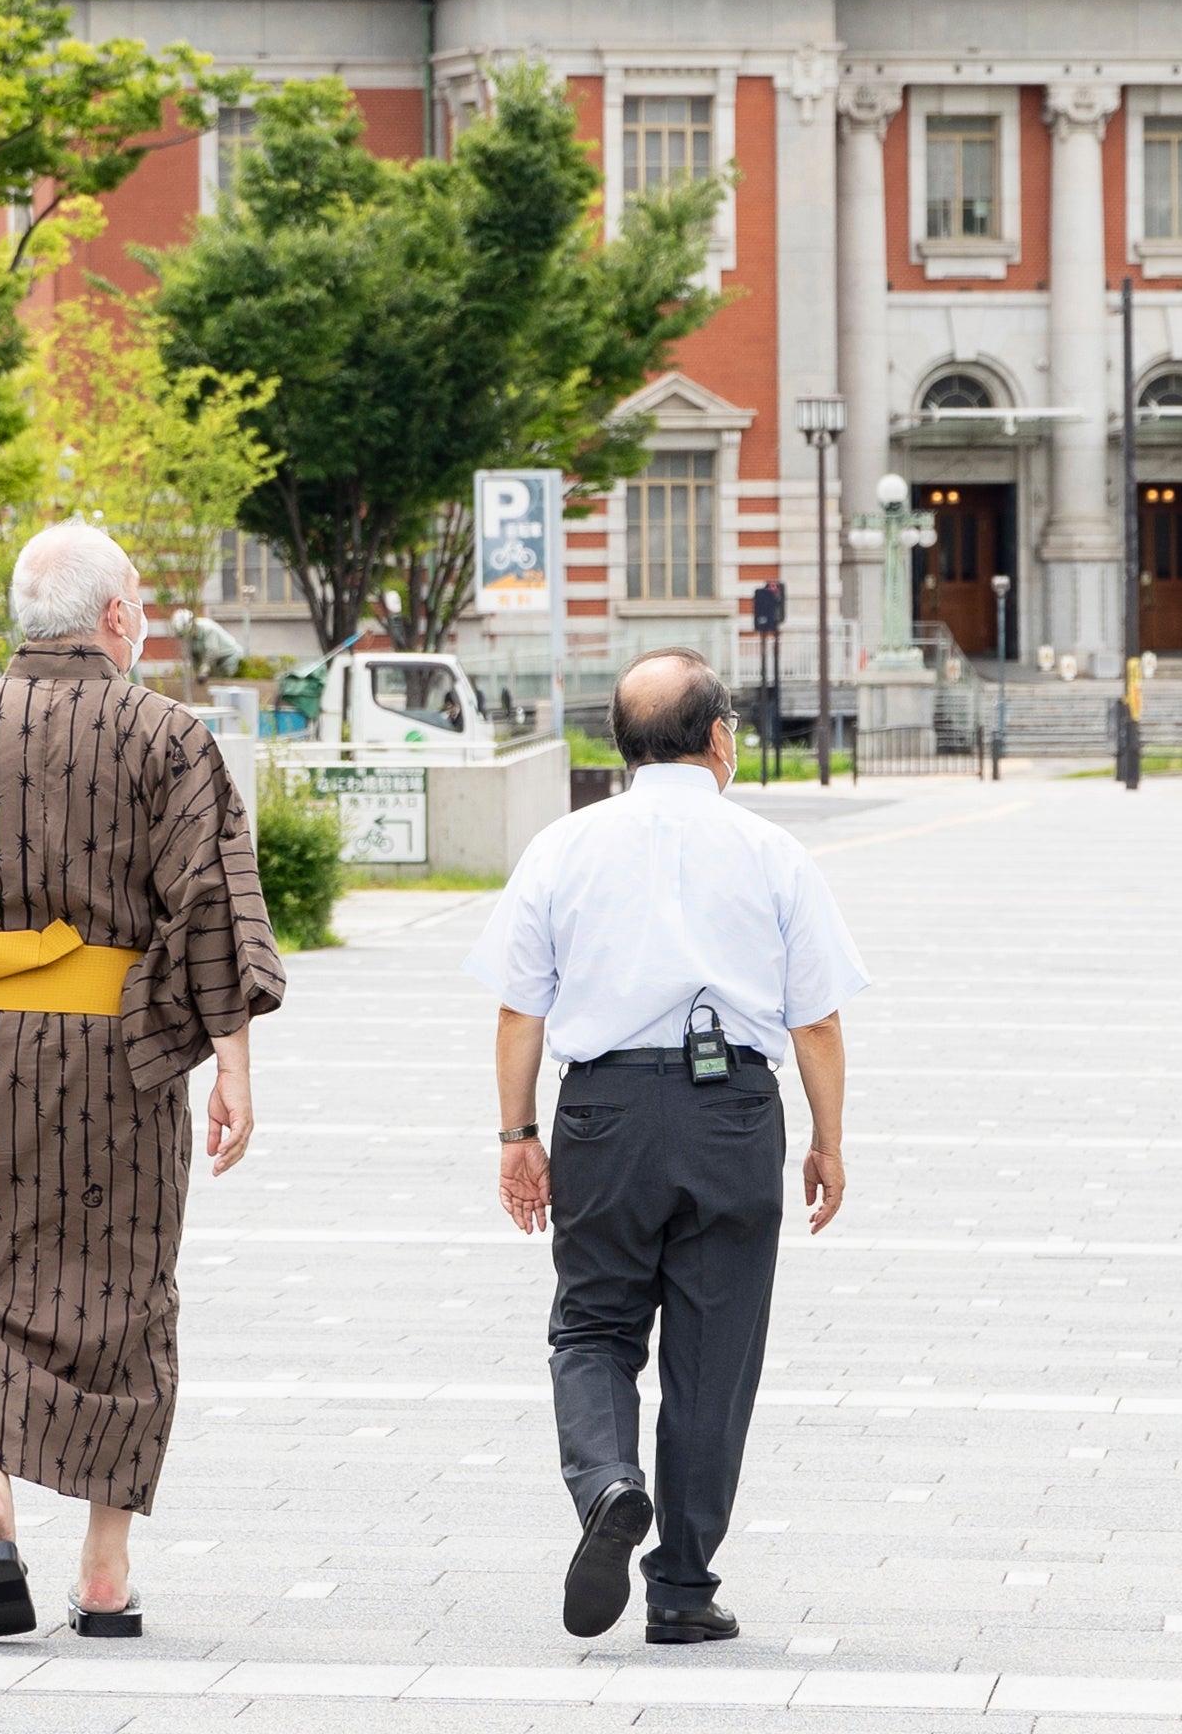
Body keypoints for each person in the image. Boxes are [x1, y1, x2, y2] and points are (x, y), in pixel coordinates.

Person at [0, 521, 284, 1643]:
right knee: (125, 1285)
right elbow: (213, 908)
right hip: (119, 1056)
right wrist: (231, 1062)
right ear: (117, 619)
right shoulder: (168, 735)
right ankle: (103, 1564)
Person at [471, 650, 868, 1646]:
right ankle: (684, 1590)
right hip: (732, 1110)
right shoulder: (772, 852)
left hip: (602, 1110)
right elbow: (816, 1021)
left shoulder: (564, 847)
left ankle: (609, 1481)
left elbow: (522, 1010)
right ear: (720, 739)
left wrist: (519, 1135)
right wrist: (827, 1142)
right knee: (713, 1361)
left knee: (594, 1326)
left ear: (623, 744)